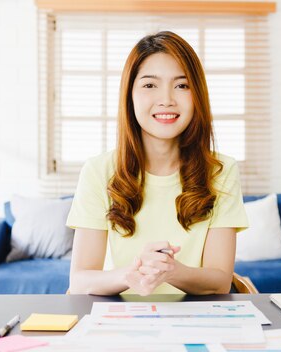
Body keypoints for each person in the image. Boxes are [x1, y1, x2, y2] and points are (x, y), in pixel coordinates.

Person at [66, 31, 248, 296]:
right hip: (118, 323)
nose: (166, 99)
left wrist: (172, 270)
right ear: (130, 95)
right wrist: (132, 273)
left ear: (197, 95)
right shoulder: (99, 171)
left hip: (197, 320)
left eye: (182, 85)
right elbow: (80, 282)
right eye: (150, 85)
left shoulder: (221, 171)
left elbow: (220, 281)